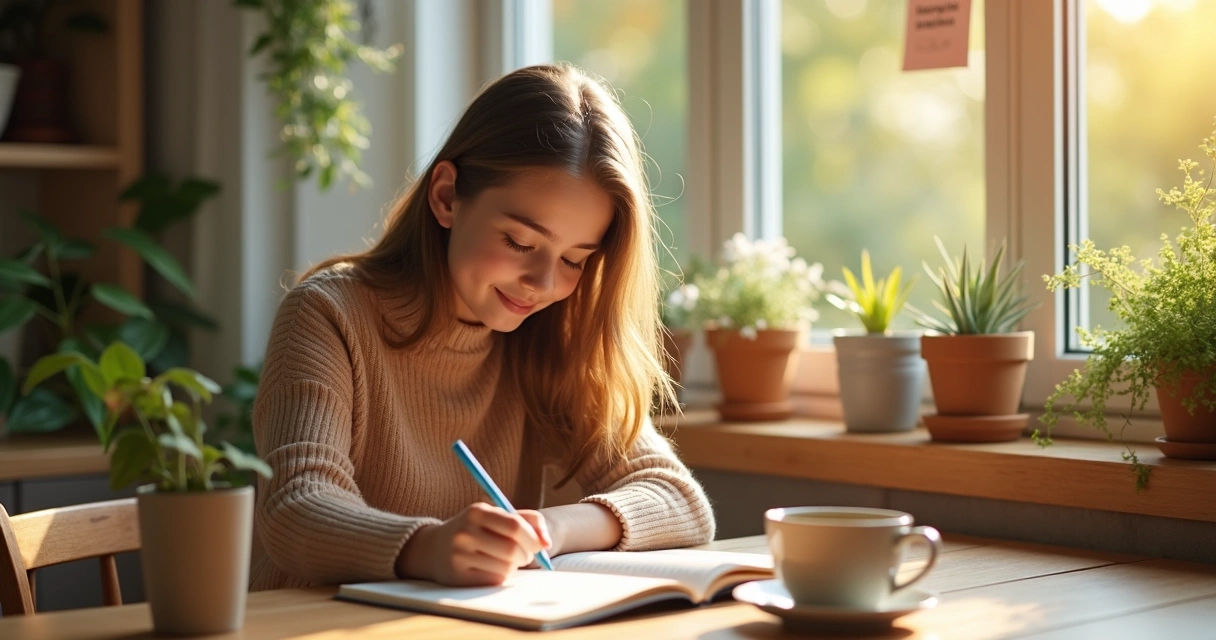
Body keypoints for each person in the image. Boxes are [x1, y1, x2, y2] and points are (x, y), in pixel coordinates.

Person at [250, 63, 716, 590]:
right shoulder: (329, 314)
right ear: (447, 197)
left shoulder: (548, 335)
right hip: (310, 620)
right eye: (519, 242)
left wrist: (548, 530)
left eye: (574, 260)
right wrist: (427, 548)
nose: (542, 284)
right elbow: (295, 506)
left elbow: (679, 499)